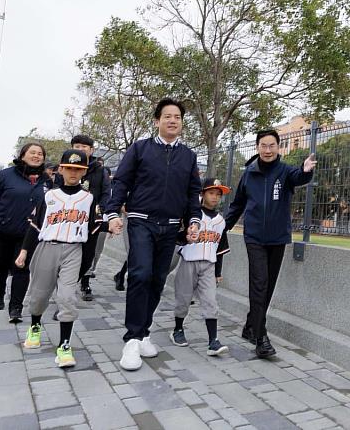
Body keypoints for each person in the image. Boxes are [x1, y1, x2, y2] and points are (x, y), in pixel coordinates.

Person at [107, 98, 202, 372]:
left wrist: (193, 221)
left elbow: (191, 194)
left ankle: (144, 332)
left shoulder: (188, 156)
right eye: (167, 116)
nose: (173, 120)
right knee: (139, 275)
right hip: (140, 221)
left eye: (177, 117)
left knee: (158, 279)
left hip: (171, 226)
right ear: (157, 121)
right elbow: (122, 182)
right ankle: (131, 339)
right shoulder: (140, 149)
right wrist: (113, 213)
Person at [15, 149, 117, 368]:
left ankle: (64, 345)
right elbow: (34, 226)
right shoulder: (49, 195)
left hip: (73, 250)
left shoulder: (88, 199)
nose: (73, 172)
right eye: (69, 168)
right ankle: (35, 325)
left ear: (84, 172)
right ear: (61, 169)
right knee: (39, 296)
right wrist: (24, 251)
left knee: (68, 297)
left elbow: (94, 226)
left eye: (78, 169)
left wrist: (111, 225)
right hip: (47, 247)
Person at [225, 129, 316, 358]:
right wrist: (222, 227)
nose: (267, 150)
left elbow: (299, 176)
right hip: (254, 237)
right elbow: (237, 205)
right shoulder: (248, 175)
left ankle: (250, 325)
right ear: (257, 148)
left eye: (272, 146)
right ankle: (261, 337)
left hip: (277, 238)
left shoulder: (285, 171)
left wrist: (306, 172)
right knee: (259, 284)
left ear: (278, 147)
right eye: (263, 146)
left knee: (268, 286)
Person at [0, 143, 48, 323]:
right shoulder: (6, 175)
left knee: (22, 267)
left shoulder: (47, 180)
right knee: (2, 263)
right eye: (32, 153)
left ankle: (16, 307)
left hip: (30, 233)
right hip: (2, 229)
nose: (36, 156)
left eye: (40, 154)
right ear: (22, 155)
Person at [170, 177, 231, 357]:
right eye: (211, 193)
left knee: (211, 301)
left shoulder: (221, 221)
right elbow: (178, 236)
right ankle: (178, 329)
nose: (215, 197)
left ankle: (213, 341)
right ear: (202, 194)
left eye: (218, 194)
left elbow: (220, 249)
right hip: (189, 262)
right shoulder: (191, 215)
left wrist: (218, 272)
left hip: (209, 266)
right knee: (183, 299)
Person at [54, 135, 111, 302]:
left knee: (89, 254)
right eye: (77, 146)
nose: (80, 149)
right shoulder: (63, 167)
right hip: (69, 219)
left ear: (91, 150)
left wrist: (98, 213)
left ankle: (84, 282)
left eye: (84, 147)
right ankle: (63, 285)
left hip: (92, 220)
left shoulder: (100, 170)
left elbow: (106, 194)